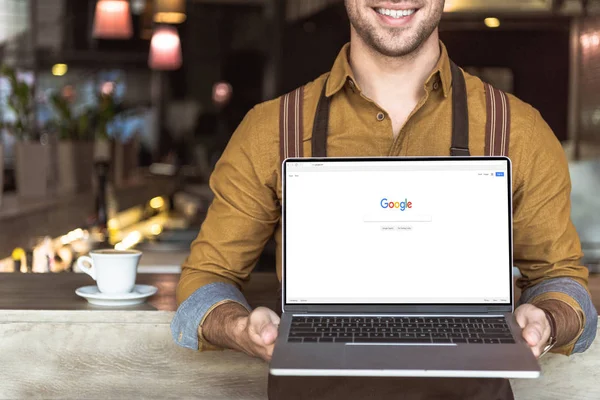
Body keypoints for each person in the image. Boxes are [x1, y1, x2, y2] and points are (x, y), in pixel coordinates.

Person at [171, 0, 597, 363]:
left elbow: (560, 279)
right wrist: (240, 328)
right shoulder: (270, 129)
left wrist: (548, 319)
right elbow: (204, 282)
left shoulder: (518, 129)